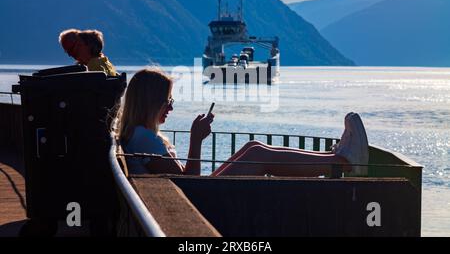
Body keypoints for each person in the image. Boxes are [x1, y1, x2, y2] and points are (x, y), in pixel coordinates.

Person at [116, 68, 369, 177]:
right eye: (167, 101)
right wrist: (195, 140)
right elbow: (187, 182)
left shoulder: (139, 135)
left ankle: (335, 158)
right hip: (195, 198)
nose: (171, 106)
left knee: (254, 147)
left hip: (193, 192)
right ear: (151, 103)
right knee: (258, 154)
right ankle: (343, 162)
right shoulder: (144, 138)